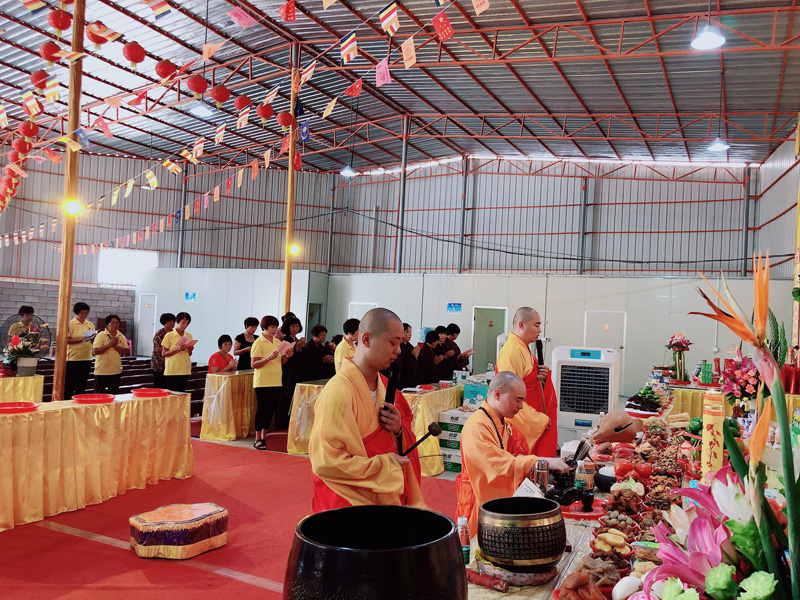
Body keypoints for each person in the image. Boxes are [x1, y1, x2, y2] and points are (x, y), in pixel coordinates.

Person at [308, 307, 424, 512]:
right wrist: (385, 466)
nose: (398, 350)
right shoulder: (339, 391)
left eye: (399, 343)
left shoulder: (387, 387)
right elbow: (326, 462)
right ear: (367, 339)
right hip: (348, 506)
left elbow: (401, 436)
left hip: (385, 499)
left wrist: (399, 430)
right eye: (393, 343)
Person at [456, 371, 569, 534]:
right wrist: (538, 461)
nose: (521, 406)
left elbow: (515, 456)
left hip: (498, 503)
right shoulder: (476, 427)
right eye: (518, 400)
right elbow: (496, 464)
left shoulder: (504, 424)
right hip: (477, 502)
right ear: (497, 394)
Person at [495, 307, 558, 457]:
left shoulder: (523, 348)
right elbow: (508, 395)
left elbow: (528, 381)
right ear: (521, 325)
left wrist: (541, 376)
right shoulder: (512, 351)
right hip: (523, 419)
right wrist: (536, 420)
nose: (539, 330)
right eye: (536, 325)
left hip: (533, 411)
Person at [251, 315, 293, 450]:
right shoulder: (258, 342)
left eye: (276, 327)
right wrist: (268, 358)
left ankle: (265, 435)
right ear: (264, 327)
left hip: (276, 380)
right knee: (262, 410)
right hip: (263, 381)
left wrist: (287, 356)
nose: (274, 330)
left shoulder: (277, 342)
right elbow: (254, 364)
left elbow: (281, 362)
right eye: (272, 327)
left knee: (271, 410)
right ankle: (257, 438)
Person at [279, 315, 307, 429]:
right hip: (288, 374)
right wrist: (297, 348)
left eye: (297, 326)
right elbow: (283, 359)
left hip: (297, 373)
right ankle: (284, 425)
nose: (295, 328)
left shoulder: (297, 339)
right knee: (287, 399)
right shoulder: (285, 340)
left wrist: (300, 348)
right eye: (293, 326)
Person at [64, 302, 94, 399]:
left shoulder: (90, 324)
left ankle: (80, 403)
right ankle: (67, 403)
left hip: (86, 358)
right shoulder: (70, 324)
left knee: (82, 385)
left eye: (86, 313)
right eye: (82, 313)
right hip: (73, 358)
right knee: (69, 385)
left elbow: (92, 340)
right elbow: (66, 340)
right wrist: (81, 339)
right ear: (77, 313)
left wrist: (94, 337)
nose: (84, 315)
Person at [92, 314, 128, 394]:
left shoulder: (120, 335)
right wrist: (110, 344)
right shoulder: (101, 335)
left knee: (114, 394)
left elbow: (125, 350)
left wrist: (115, 346)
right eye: (113, 322)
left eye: (117, 323)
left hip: (116, 370)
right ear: (107, 324)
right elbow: (95, 351)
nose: (115, 325)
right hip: (102, 371)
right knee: (99, 394)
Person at [161, 312, 194, 393]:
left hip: (185, 369)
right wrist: (178, 349)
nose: (185, 325)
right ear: (177, 321)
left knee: (182, 393)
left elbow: (189, 354)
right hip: (173, 369)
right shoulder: (169, 335)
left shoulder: (188, 335)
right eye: (183, 322)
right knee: (173, 394)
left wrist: (190, 349)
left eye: (187, 323)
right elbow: (164, 354)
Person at [151, 312, 175, 389]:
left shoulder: (174, 333)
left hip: (171, 363)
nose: (173, 323)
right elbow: (158, 349)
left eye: (173, 321)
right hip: (159, 363)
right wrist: (173, 347)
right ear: (164, 322)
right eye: (170, 321)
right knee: (160, 385)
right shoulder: (159, 333)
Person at [395, 323, 420, 389]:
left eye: (410, 332)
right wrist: (413, 356)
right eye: (407, 332)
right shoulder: (398, 346)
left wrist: (416, 356)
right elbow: (402, 362)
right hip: (403, 378)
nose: (410, 334)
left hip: (412, 378)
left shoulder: (410, 346)